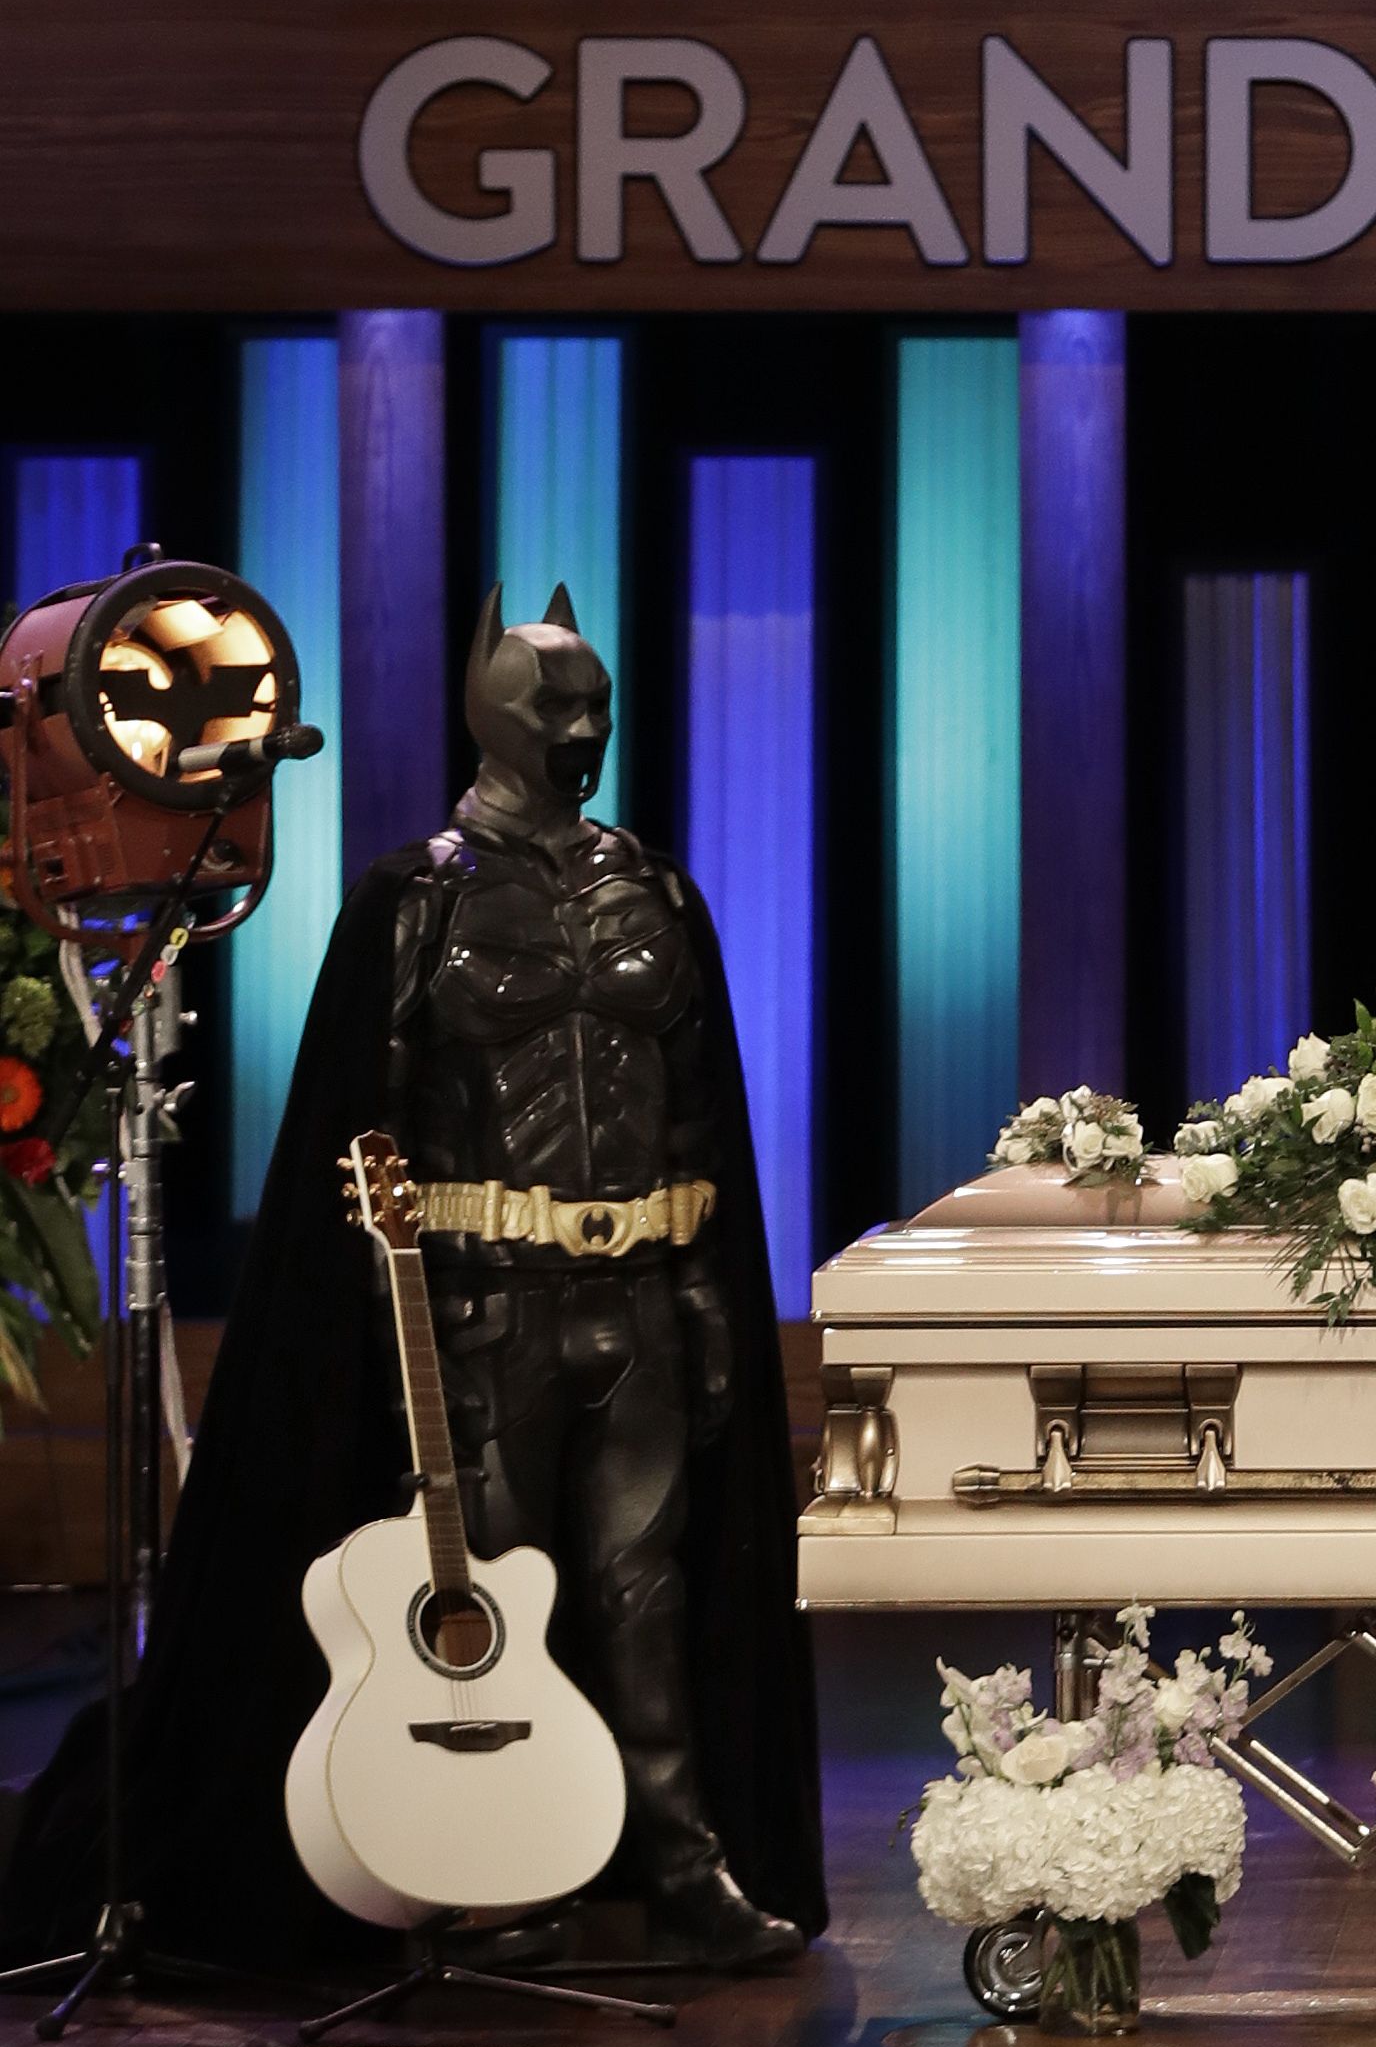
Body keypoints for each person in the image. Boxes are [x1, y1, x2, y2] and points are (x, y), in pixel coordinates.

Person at [0, 590, 822, 1977]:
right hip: (485, 1306)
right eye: (557, 707)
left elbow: (694, 1111)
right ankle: (511, 1867)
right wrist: (393, 1331)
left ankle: (679, 1864)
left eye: (597, 708)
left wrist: (704, 1301)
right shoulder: (417, 898)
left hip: (638, 1304)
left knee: (644, 1590)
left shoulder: (656, 891)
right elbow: (362, 1115)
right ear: (491, 712)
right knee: (511, 1592)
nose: (583, 730)